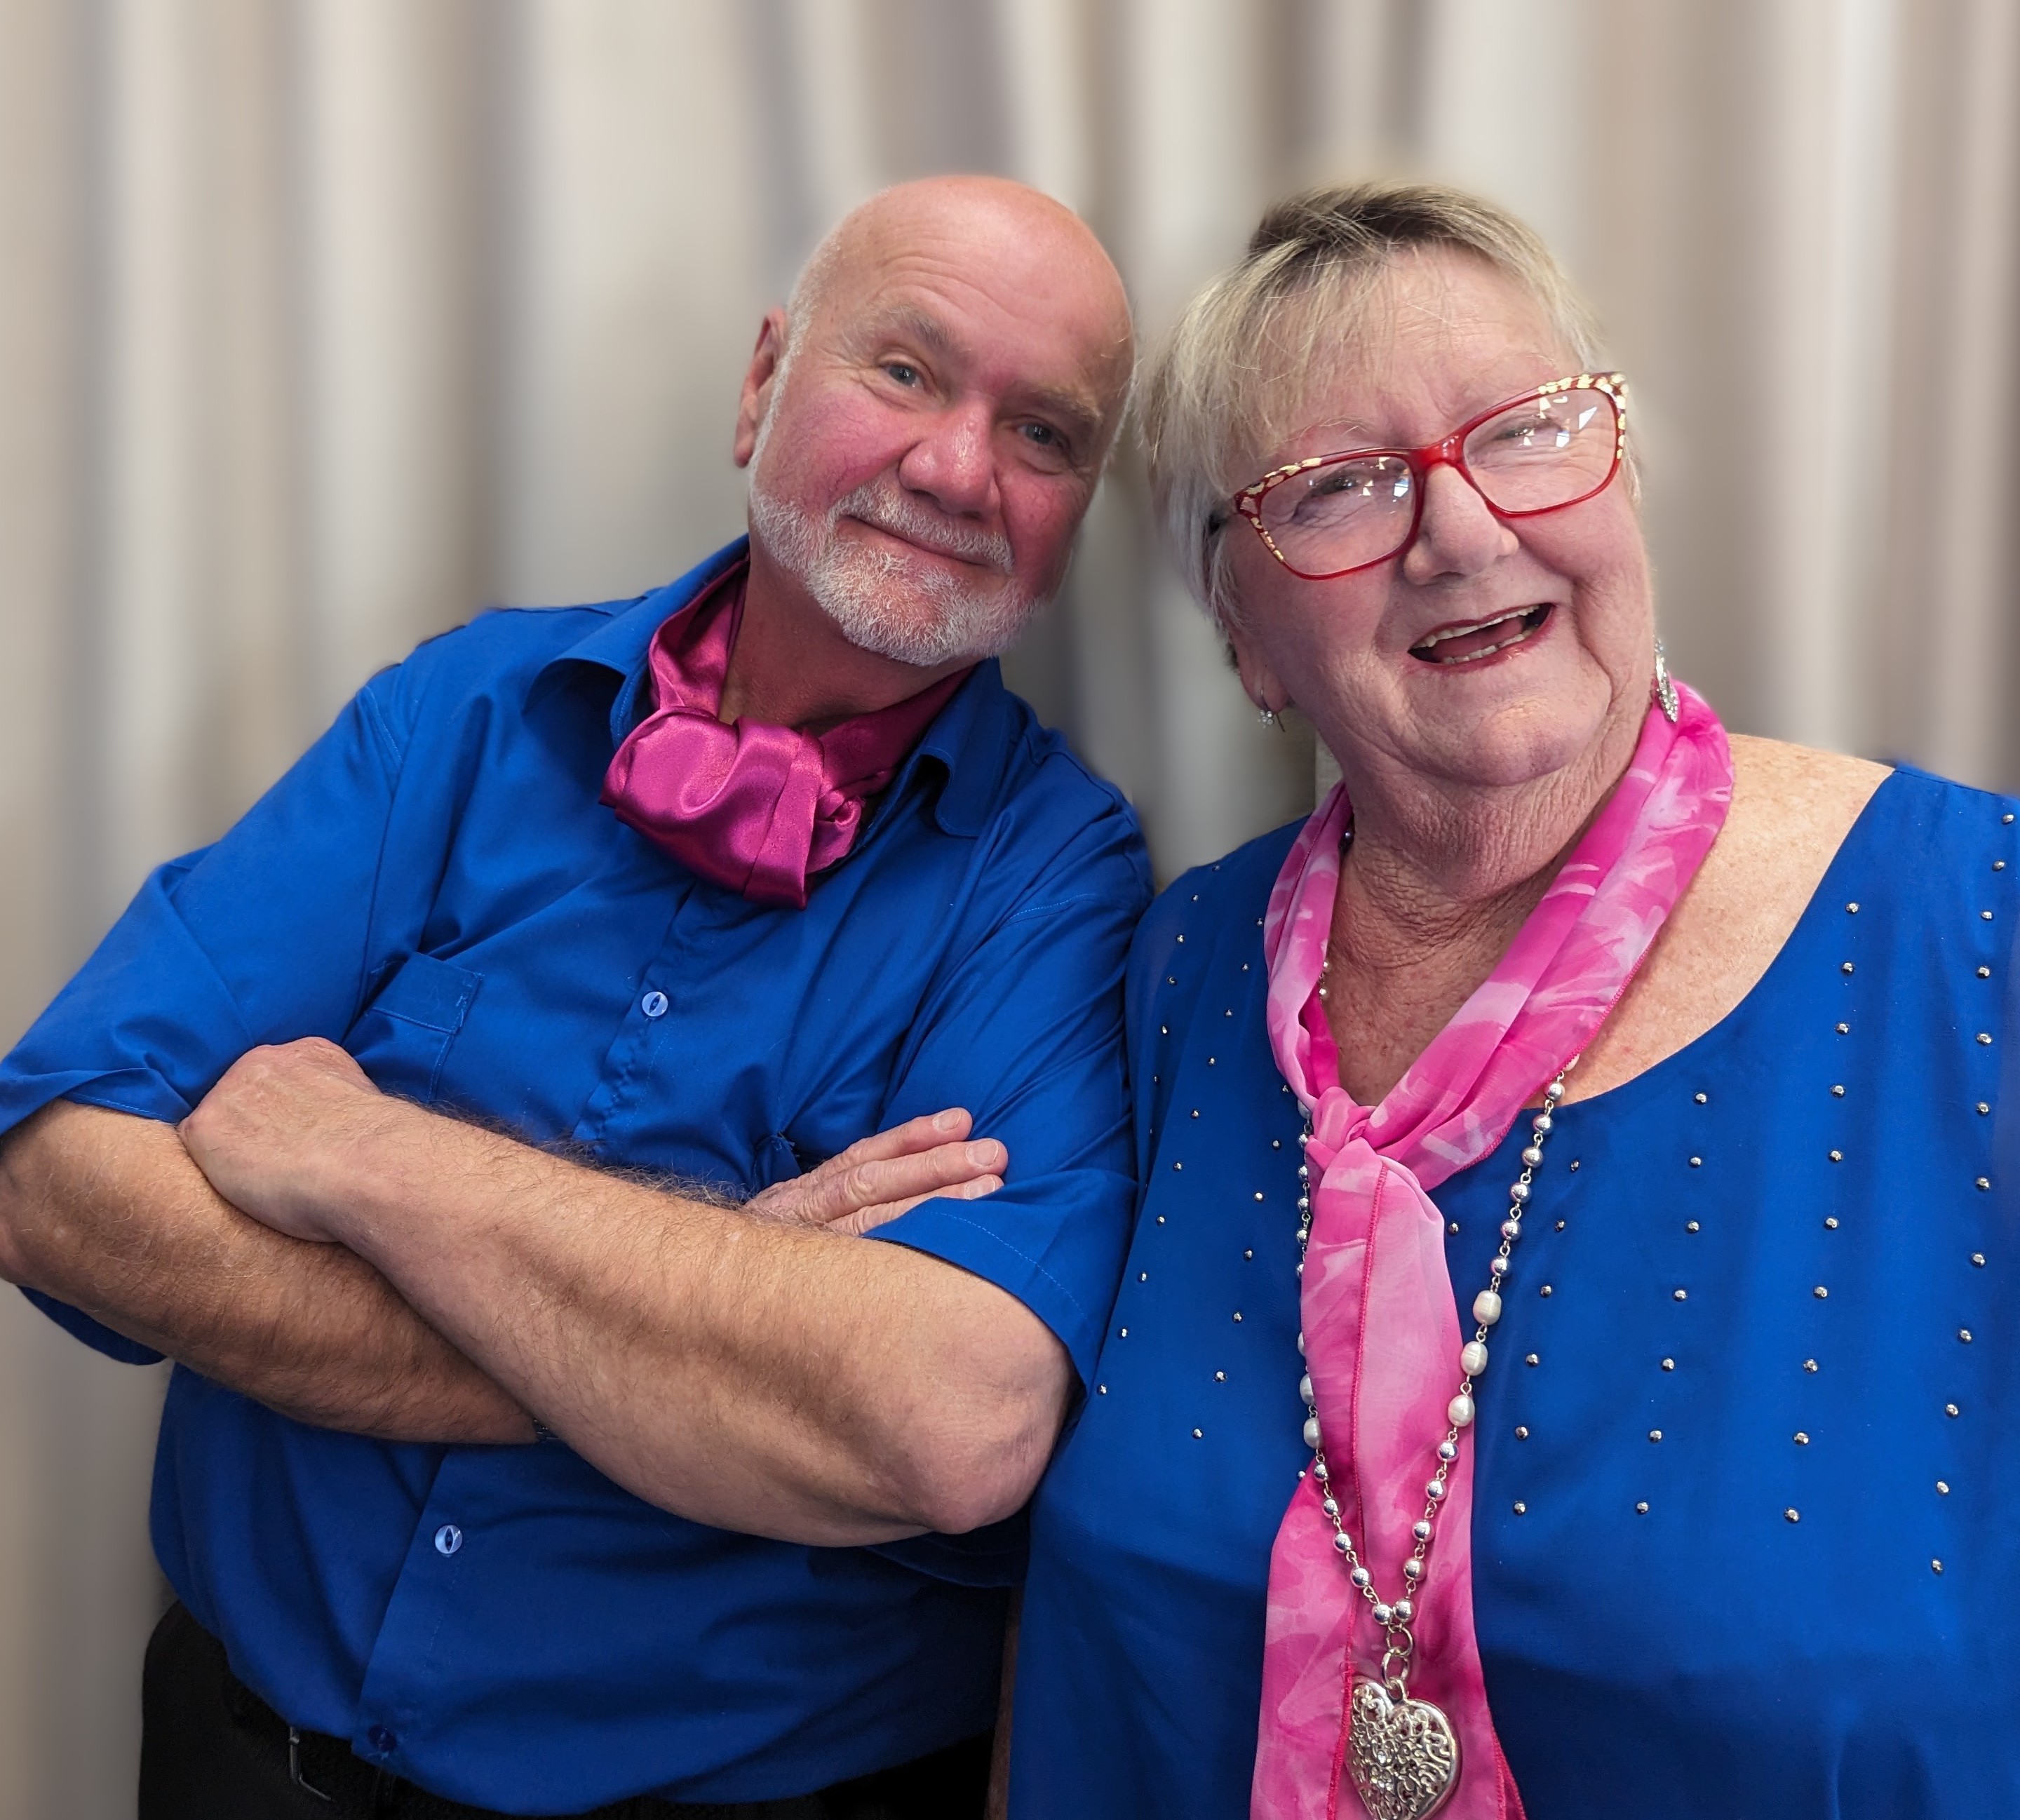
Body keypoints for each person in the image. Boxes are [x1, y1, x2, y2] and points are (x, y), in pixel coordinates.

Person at [0, 175, 1147, 1820]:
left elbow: (947, 1421)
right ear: (762, 383)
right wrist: (722, 1321)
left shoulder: (1061, 879)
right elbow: (56, 1177)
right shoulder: (463, 710)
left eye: (1043, 433)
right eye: (905, 370)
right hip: (239, 1757)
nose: (960, 468)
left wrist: (365, 1157)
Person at [1005, 181, 2020, 1819]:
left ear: (1624, 482)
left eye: (1529, 430)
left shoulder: (1978, 928)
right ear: (1246, 637)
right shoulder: (1178, 969)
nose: (1463, 531)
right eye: (1338, 486)